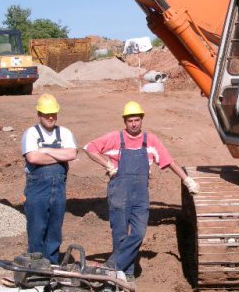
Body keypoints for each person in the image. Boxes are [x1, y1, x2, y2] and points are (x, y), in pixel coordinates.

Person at [84, 100, 200, 283]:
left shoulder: (150, 140)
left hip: (140, 193)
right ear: (125, 121)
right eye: (130, 120)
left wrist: (186, 179)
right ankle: (127, 273)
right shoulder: (115, 138)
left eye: (137, 120)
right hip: (119, 192)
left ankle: (113, 266)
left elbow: (168, 161)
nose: (134, 124)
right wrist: (107, 164)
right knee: (120, 233)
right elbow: (89, 148)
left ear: (142, 120)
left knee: (138, 232)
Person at [21, 93, 78, 264]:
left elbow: (72, 153)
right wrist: (60, 156)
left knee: (54, 230)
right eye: (46, 114)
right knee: (37, 229)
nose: (50, 117)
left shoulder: (65, 133)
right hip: (37, 190)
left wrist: (45, 151)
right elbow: (33, 158)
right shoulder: (31, 133)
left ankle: (51, 265)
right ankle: (36, 266)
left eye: (53, 113)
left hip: (58, 189)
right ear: (39, 114)